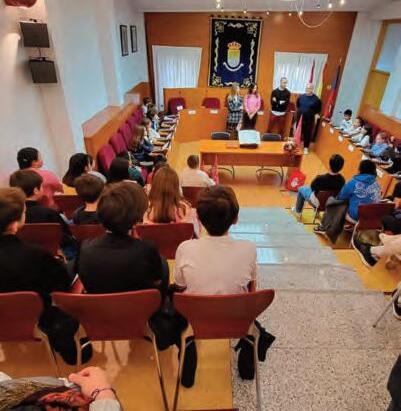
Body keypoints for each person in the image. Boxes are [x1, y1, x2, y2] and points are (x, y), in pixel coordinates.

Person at [0, 187, 89, 365]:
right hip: (38, 316)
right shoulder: (36, 255)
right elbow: (61, 286)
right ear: (14, 224)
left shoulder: (34, 254)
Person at [78, 181, 167, 295]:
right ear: (135, 220)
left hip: (98, 305)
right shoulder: (147, 249)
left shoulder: (85, 248)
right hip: (140, 305)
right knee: (163, 263)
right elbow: (157, 281)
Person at [314, 159, 381, 235]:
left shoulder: (353, 182)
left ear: (360, 169)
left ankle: (323, 227)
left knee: (333, 202)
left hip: (357, 217)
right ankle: (351, 226)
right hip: (372, 218)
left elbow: (340, 197)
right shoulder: (377, 184)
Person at [144, 166, 199, 235]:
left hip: (152, 241)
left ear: (155, 185)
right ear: (176, 186)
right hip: (180, 241)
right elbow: (195, 233)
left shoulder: (147, 209)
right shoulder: (185, 209)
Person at [296, 83, 322, 154]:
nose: (307, 90)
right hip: (300, 118)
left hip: (309, 119)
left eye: (309, 88)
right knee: (298, 132)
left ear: (312, 89)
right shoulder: (301, 97)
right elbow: (298, 105)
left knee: (307, 133)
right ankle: (296, 145)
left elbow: (318, 110)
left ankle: (306, 147)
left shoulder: (316, 99)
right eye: (306, 88)